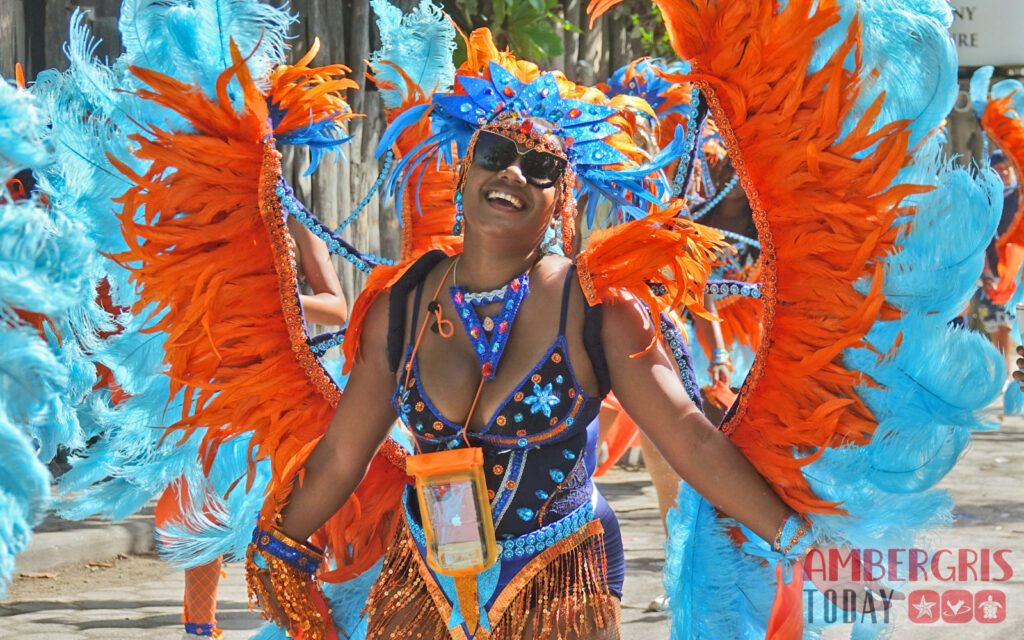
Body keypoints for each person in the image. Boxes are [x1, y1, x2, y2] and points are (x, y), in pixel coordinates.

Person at [249, 61, 815, 639]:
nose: (514, 172)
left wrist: (799, 540)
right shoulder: (403, 307)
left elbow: (690, 437)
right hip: (424, 577)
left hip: (561, 578)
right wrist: (278, 546)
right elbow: (343, 455)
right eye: (495, 154)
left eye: (540, 167)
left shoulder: (600, 311)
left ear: (561, 199)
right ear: (465, 174)